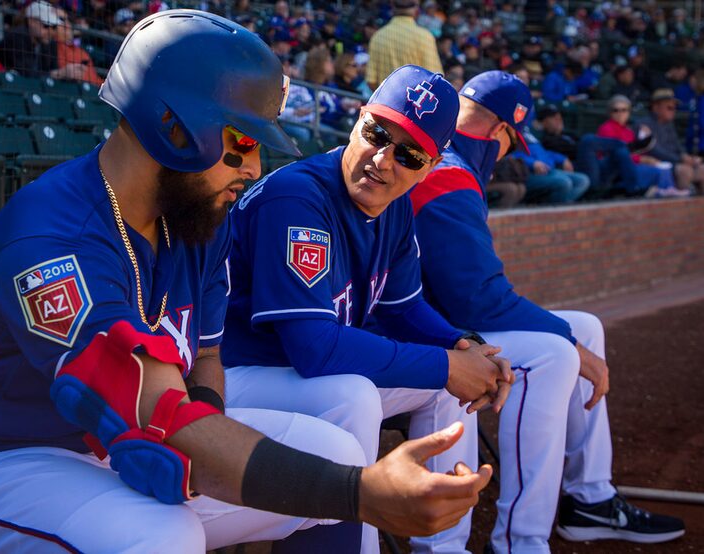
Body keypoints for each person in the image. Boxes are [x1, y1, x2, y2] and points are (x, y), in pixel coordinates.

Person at [0, 12, 492, 553]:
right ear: (175, 128)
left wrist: (206, 416)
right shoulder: (49, 243)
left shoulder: (197, 219)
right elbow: (153, 406)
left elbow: (203, 354)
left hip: (101, 450)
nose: (254, 168)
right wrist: (362, 495)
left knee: (333, 452)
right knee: (161, 534)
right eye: (241, 143)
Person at [221, 65, 512, 553]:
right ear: (358, 120)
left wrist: (462, 346)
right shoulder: (298, 199)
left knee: (444, 391)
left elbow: (405, 308)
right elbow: (312, 349)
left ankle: (443, 548)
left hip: (289, 371)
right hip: (230, 370)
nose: (382, 159)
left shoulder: (393, 205)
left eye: (409, 153)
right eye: (377, 132)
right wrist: (445, 363)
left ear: (432, 165)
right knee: (352, 395)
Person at [409, 70, 686, 553]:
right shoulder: (449, 173)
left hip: (435, 319)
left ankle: (589, 498)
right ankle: (521, 541)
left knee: (585, 327)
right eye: (511, 146)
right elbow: (477, 299)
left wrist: (576, 341)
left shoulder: (450, 163)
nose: (506, 157)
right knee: (556, 354)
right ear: (500, 132)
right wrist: (574, 348)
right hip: (420, 330)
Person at [597, 95, 689, 198]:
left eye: (624, 110)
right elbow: (616, 154)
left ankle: (666, 192)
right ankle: (664, 193)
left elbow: (637, 150)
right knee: (658, 171)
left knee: (664, 168)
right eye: (616, 110)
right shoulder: (606, 128)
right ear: (610, 112)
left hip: (632, 164)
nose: (620, 113)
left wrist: (646, 140)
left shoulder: (628, 130)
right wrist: (642, 159)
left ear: (629, 112)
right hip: (615, 169)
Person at [366, 0, 443, 89]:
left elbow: (371, 81)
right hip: (413, 101)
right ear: (417, 9)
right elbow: (435, 79)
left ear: (392, 5)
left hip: (382, 101)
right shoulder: (425, 37)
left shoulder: (378, 36)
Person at [640, 88, 704, 193]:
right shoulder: (644, 124)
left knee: (702, 169)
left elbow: (677, 145)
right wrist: (680, 159)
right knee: (685, 171)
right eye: (669, 108)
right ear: (656, 107)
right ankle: (682, 207)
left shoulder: (669, 124)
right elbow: (653, 150)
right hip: (657, 163)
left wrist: (685, 156)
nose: (673, 111)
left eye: (675, 108)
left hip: (674, 162)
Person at [513, 127, 590, 203]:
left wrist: (562, 159)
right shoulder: (507, 127)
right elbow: (507, 155)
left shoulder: (525, 129)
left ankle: (559, 207)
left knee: (582, 180)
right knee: (564, 182)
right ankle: (554, 208)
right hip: (526, 173)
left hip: (548, 170)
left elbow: (542, 152)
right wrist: (532, 163)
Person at [0, 0, 59, 78]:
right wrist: (56, 74)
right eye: (46, 26)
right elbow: (27, 75)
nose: (51, 31)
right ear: (31, 21)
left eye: (54, 27)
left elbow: (51, 69)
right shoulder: (17, 37)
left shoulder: (48, 43)